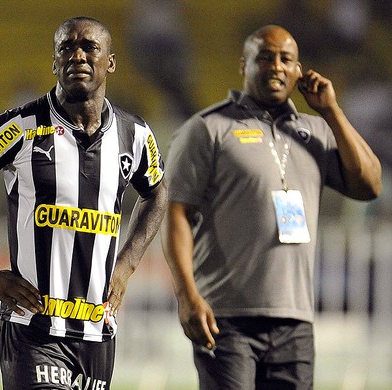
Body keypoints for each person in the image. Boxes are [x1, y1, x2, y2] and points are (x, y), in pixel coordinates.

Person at [0, 16, 167, 389]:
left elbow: (157, 194)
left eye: (89, 47)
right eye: (66, 48)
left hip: (97, 331)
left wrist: (127, 265)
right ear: (54, 62)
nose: (77, 56)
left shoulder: (134, 135)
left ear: (111, 61)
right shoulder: (18, 129)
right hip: (33, 327)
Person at [161, 25, 381, 389]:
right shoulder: (207, 128)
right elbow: (175, 213)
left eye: (286, 59)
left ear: (298, 71)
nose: (276, 66)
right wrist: (187, 297)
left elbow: (369, 185)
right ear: (243, 64)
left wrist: (332, 112)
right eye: (265, 56)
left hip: (295, 322)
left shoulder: (316, 131)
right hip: (226, 319)